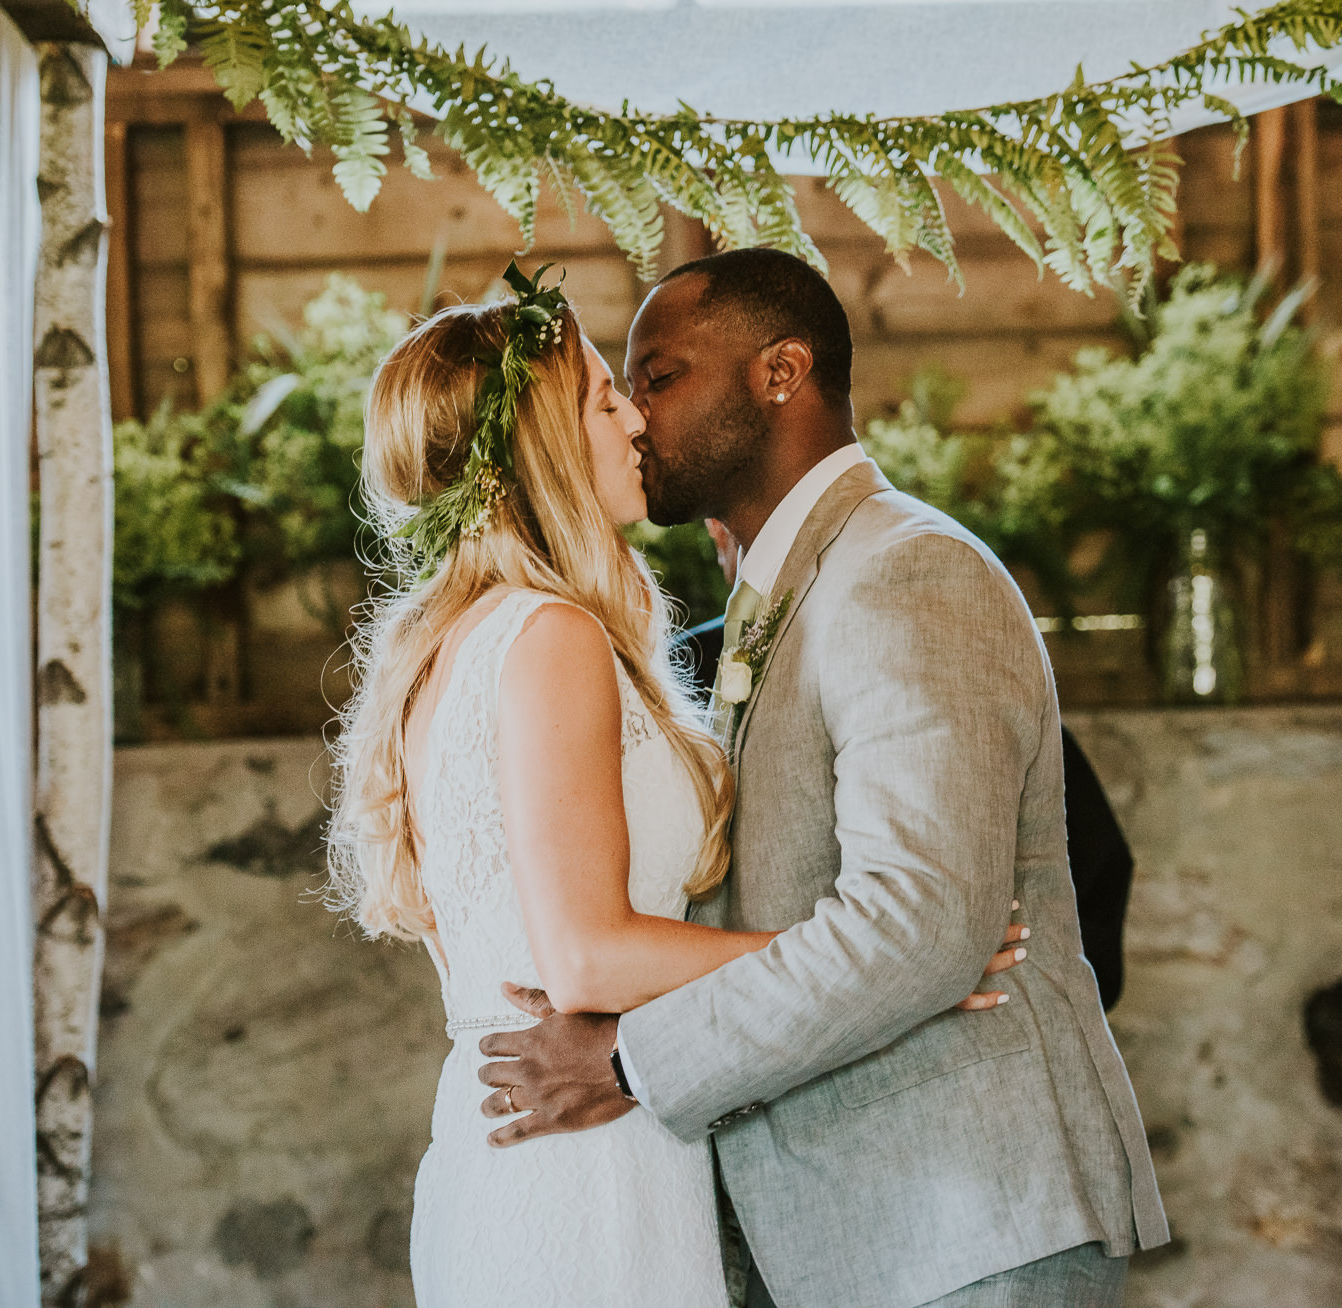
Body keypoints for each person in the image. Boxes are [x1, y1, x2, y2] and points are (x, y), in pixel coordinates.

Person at [325, 264, 1028, 1307]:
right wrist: (885, 961)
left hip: (532, 1143)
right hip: (582, 1167)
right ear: (546, 445)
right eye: (607, 397)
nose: (634, 423)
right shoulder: (548, 635)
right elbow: (588, 955)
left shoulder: (461, 641)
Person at [478, 248, 1169, 1308]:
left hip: (963, 1225)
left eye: (658, 379)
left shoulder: (905, 569)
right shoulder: (780, 588)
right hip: (857, 1232)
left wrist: (631, 1062)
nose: (631, 419)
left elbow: (920, 926)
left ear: (779, 372)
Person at [676, 535, 1137, 1012]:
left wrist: (985, 979)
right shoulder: (690, 667)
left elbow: (1095, 866)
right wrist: (914, 971)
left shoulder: (945, 653)